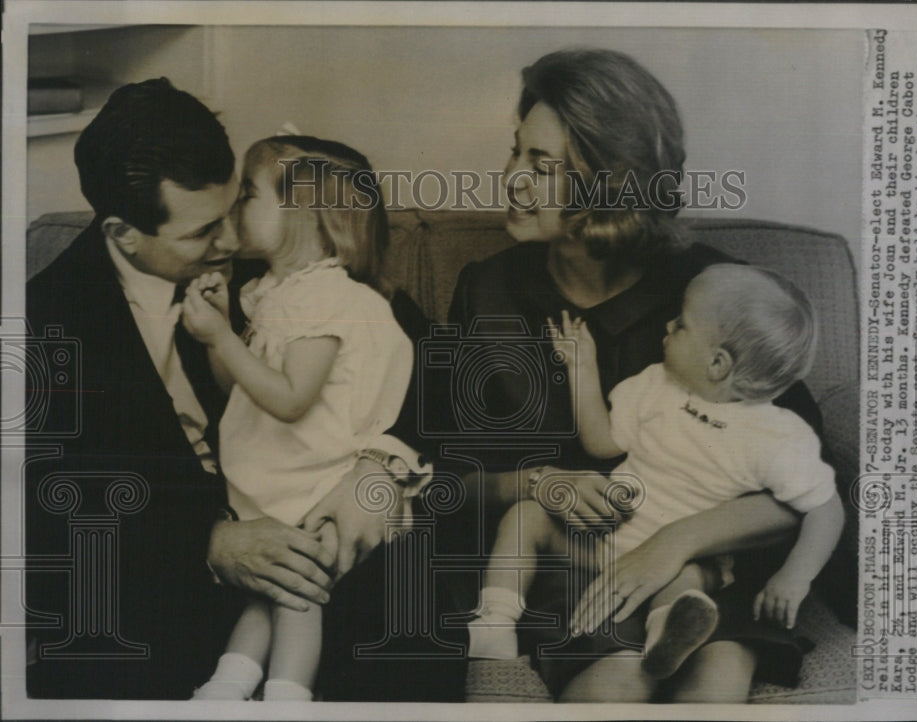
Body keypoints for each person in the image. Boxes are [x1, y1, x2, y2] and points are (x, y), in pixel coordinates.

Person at [433, 48, 841, 702]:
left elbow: (800, 487)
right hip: (569, 565)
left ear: (610, 183)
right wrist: (541, 484)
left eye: (541, 164)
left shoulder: (711, 295)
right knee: (614, 679)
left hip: (704, 574)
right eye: (516, 153)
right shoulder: (488, 291)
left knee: (721, 668)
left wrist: (678, 542)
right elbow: (447, 481)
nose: (510, 179)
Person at [24, 78, 446, 700]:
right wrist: (207, 543)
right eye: (200, 234)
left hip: (323, 556)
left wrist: (382, 466)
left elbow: (431, 365)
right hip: (160, 597)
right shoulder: (45, 321)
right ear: (121, 233)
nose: (226, 244)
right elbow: (38, 512)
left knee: (408, 664)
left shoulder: (278, 250)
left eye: (232, 211)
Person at [467, 265, 845, 699]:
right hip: (603, 540)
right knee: (527, 515)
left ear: (717, 363)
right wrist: (581, 368)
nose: (668, 326)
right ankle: (495, 619)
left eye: (681, 325)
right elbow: (601, 443)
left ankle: (667, 633)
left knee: (690, 579)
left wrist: (795, 576)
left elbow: (826, 508)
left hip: (685, 566)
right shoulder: (656, 386)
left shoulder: (778, 436)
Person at [185, 136, 413, 701]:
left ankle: (287, 694)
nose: (235, 205)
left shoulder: (324, 298)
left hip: (317, 473)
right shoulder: (273, 295)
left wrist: (218, 337)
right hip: (275, 468)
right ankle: (226, 687)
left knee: (295, 590)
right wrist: (221, 331)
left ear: (305, 215)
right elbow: (237, 390)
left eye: (250, 195)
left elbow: (290, 399)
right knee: (268, 584)